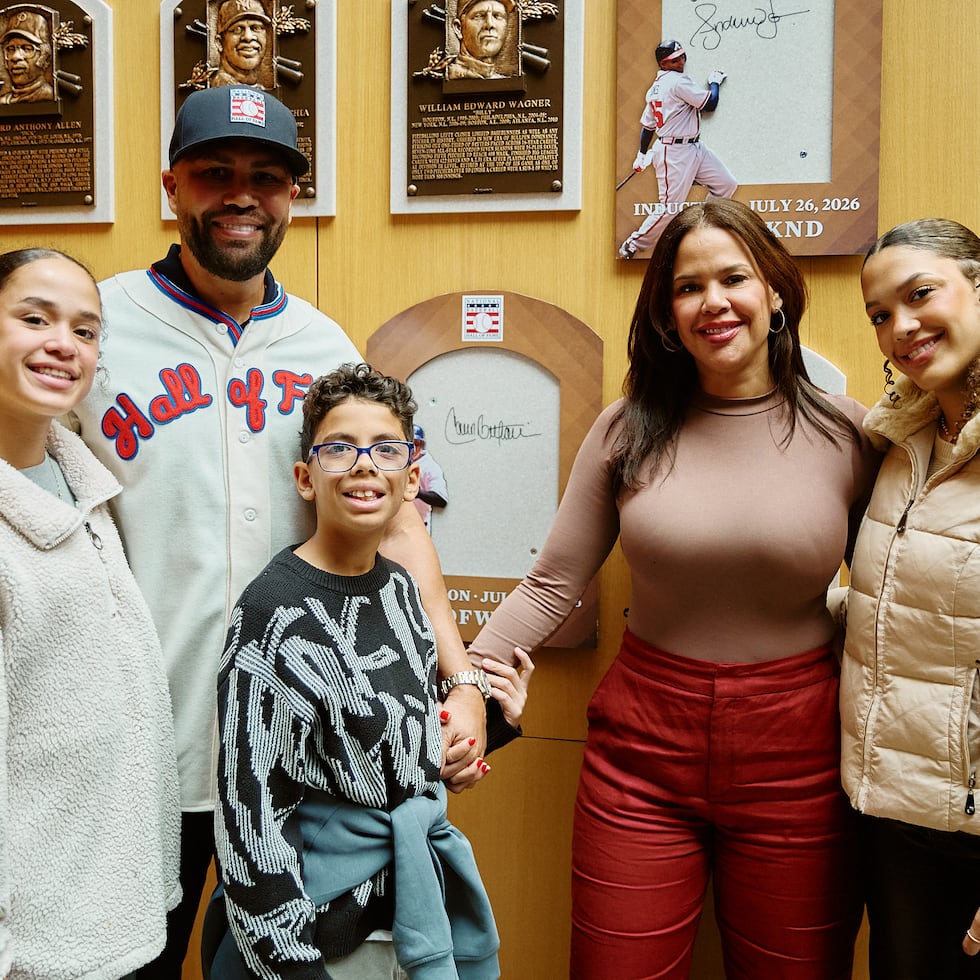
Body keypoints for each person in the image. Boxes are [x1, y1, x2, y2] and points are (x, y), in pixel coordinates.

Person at [70, 85, 486, 977]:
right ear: (172, 185)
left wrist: (463, 682)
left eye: (267, 176)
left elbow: (400, 522)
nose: (241, 195)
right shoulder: (97, 330)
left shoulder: (324, 347)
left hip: (303, 767)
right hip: (144, 750)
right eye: (215, 171)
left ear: (293, 197)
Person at [468, 199, 881, 979]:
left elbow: (893, 601)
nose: (713, 302)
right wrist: (463, 686)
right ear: (666, 312)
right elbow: (553, 584)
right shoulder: (627, 427)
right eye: (688, 287)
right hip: (642, 756)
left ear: (777, 292)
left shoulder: (847, 433)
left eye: (735, 278)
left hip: (801, 755)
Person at [209, 363, 501, 979]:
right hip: (323, 935)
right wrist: (295, 968)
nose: (364, 463)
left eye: (385, 449)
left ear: (410, 477)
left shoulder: (398, 588)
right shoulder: (271, 616)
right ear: (305, 478)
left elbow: (385, 742)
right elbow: (247, 821)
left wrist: (463, 741)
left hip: (408, 912)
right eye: (339, 448)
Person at [0, 248, 181, 978]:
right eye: (33, 319)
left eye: (85, 330)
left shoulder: (80, 482)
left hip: (110, 909)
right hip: (34, 944)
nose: (62, 345)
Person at [840, 218, 980, 979]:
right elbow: (916, 611)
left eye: (920, 295)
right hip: (895, 817)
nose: (901, 327)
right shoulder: (901, 441)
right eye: (880, 315)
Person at [619, 40, 736, 260]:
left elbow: (648, 126)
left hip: (693, 146)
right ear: (664, 63)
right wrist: (714, 83)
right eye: (675, 59)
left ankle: (701, 228)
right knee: (670, 207)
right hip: (673, 151)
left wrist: (642, 155)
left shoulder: (656, 87)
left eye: (682, 56)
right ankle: (632, 244)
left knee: (726, 184)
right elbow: (710, 104)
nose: (681, 61)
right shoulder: (676, 82)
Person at [447, 0, 517, 80]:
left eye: (497, 16)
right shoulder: (451, 73)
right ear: (458, 28)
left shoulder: (502, 80)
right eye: (479, 16)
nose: (490, 24)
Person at [212, 0, 271, 89]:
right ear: (219, 42)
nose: (248, 37)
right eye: (237, 29)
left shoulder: (259, 88)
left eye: (256, 28)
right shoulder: (218, 87)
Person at [0, 10, 55, 105]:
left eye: (27, 49)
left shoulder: (48, 95)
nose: (15, 57)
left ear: (44, 56)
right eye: (10, 49)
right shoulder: (4, 101)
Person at [412, 424, 449, 531]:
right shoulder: (397, 461)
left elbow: (441, 500)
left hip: (418, 526)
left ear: (422, 445)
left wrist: (418, 493)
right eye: (410, 443)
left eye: (417, 443)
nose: (414, 448)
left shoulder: (429, 466)